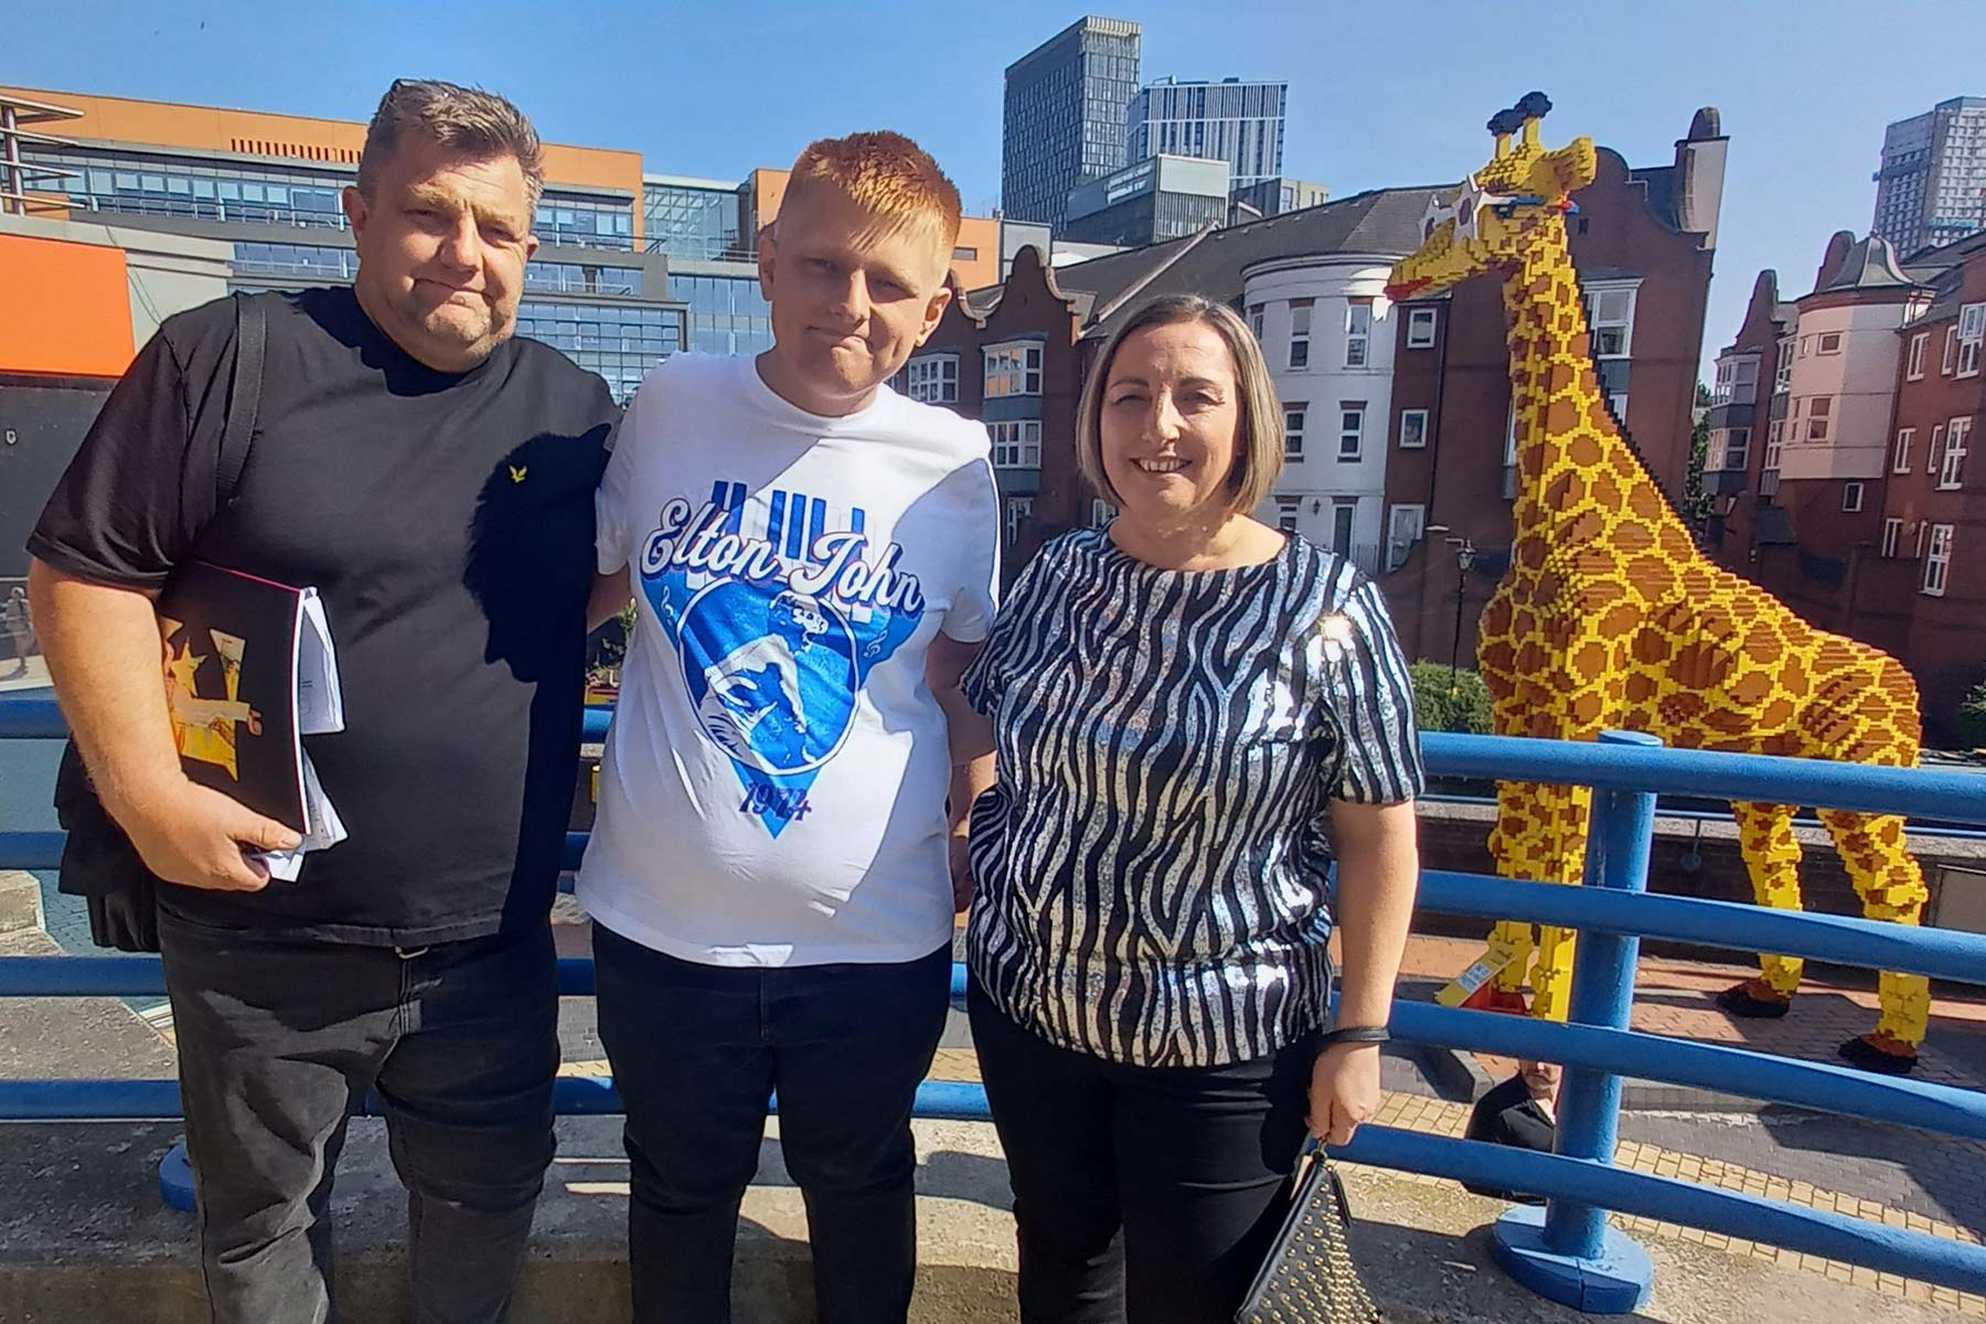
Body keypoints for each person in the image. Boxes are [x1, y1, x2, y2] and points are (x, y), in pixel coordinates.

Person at [26, 79, 617, 1323]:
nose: (465, 253)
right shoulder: (226, 356)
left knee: (485, 1206)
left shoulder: (570, 406)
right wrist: (144, 796)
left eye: (498, 230)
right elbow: (83, 572)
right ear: (358, 213)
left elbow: (587, 591)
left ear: (532, 247)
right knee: (261, 1229)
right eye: (429, 215)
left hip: (486, 939)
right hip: (259, 935)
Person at [581, 130, 1000, 1323]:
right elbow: (587, 589)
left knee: (863, 1187)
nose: (849, 306)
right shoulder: (671, 404)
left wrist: (984, 805)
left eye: (888, 286)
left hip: (874, 941)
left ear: (933, 307)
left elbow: (960, 665)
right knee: (676, 1192)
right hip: (663, 933)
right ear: (765, 262)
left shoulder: (957, 463)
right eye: (821, 266)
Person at [959, 294, 1425, 1322]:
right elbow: (982, 717)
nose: (1158, 426)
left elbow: (1379, 834)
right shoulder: (1059, 574)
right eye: (1130, 398)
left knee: (1198, 1303)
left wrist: (1360, 1034)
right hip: (1033, 1013)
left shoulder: (1328, 607)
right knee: (1062, 1274)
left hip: (1226, 1044)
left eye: (1193, 397)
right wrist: (974, 838)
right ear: (1097, 425)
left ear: (1247, 421)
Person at [1, 586, 31, 679]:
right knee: (19, 647)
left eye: (16, 594)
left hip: (25, 627)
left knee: (24, 646)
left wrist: (26, 620)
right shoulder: (10, 603)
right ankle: (23, 663)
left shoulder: (25, 603)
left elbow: (29, 614)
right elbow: (8, 615)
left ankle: (23, 662)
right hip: (16, 628)